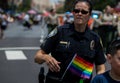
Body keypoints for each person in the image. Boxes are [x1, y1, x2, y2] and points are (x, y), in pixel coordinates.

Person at [34, 0, 106, 83]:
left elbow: (100, 67)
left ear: (89, 15)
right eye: (76, 11)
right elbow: (37, 57)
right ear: (73, 13)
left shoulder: (95, 38)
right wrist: (46, 57)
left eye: (84, 12)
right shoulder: (60, 32)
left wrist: (100, 80)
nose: (79, 14)